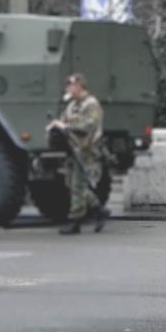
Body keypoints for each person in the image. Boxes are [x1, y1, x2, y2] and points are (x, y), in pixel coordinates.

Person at [47, 73, 109, 235]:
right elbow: (64, 120)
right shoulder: (72, 105)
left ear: (80, 86)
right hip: (73, 149)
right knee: (72, 184)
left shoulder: (91, 104)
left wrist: (66, 127)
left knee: (77, 185)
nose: (68, 88)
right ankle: (98, 209)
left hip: (87, 150)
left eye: (71, 85)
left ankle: (75, 221)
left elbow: (89, 125)